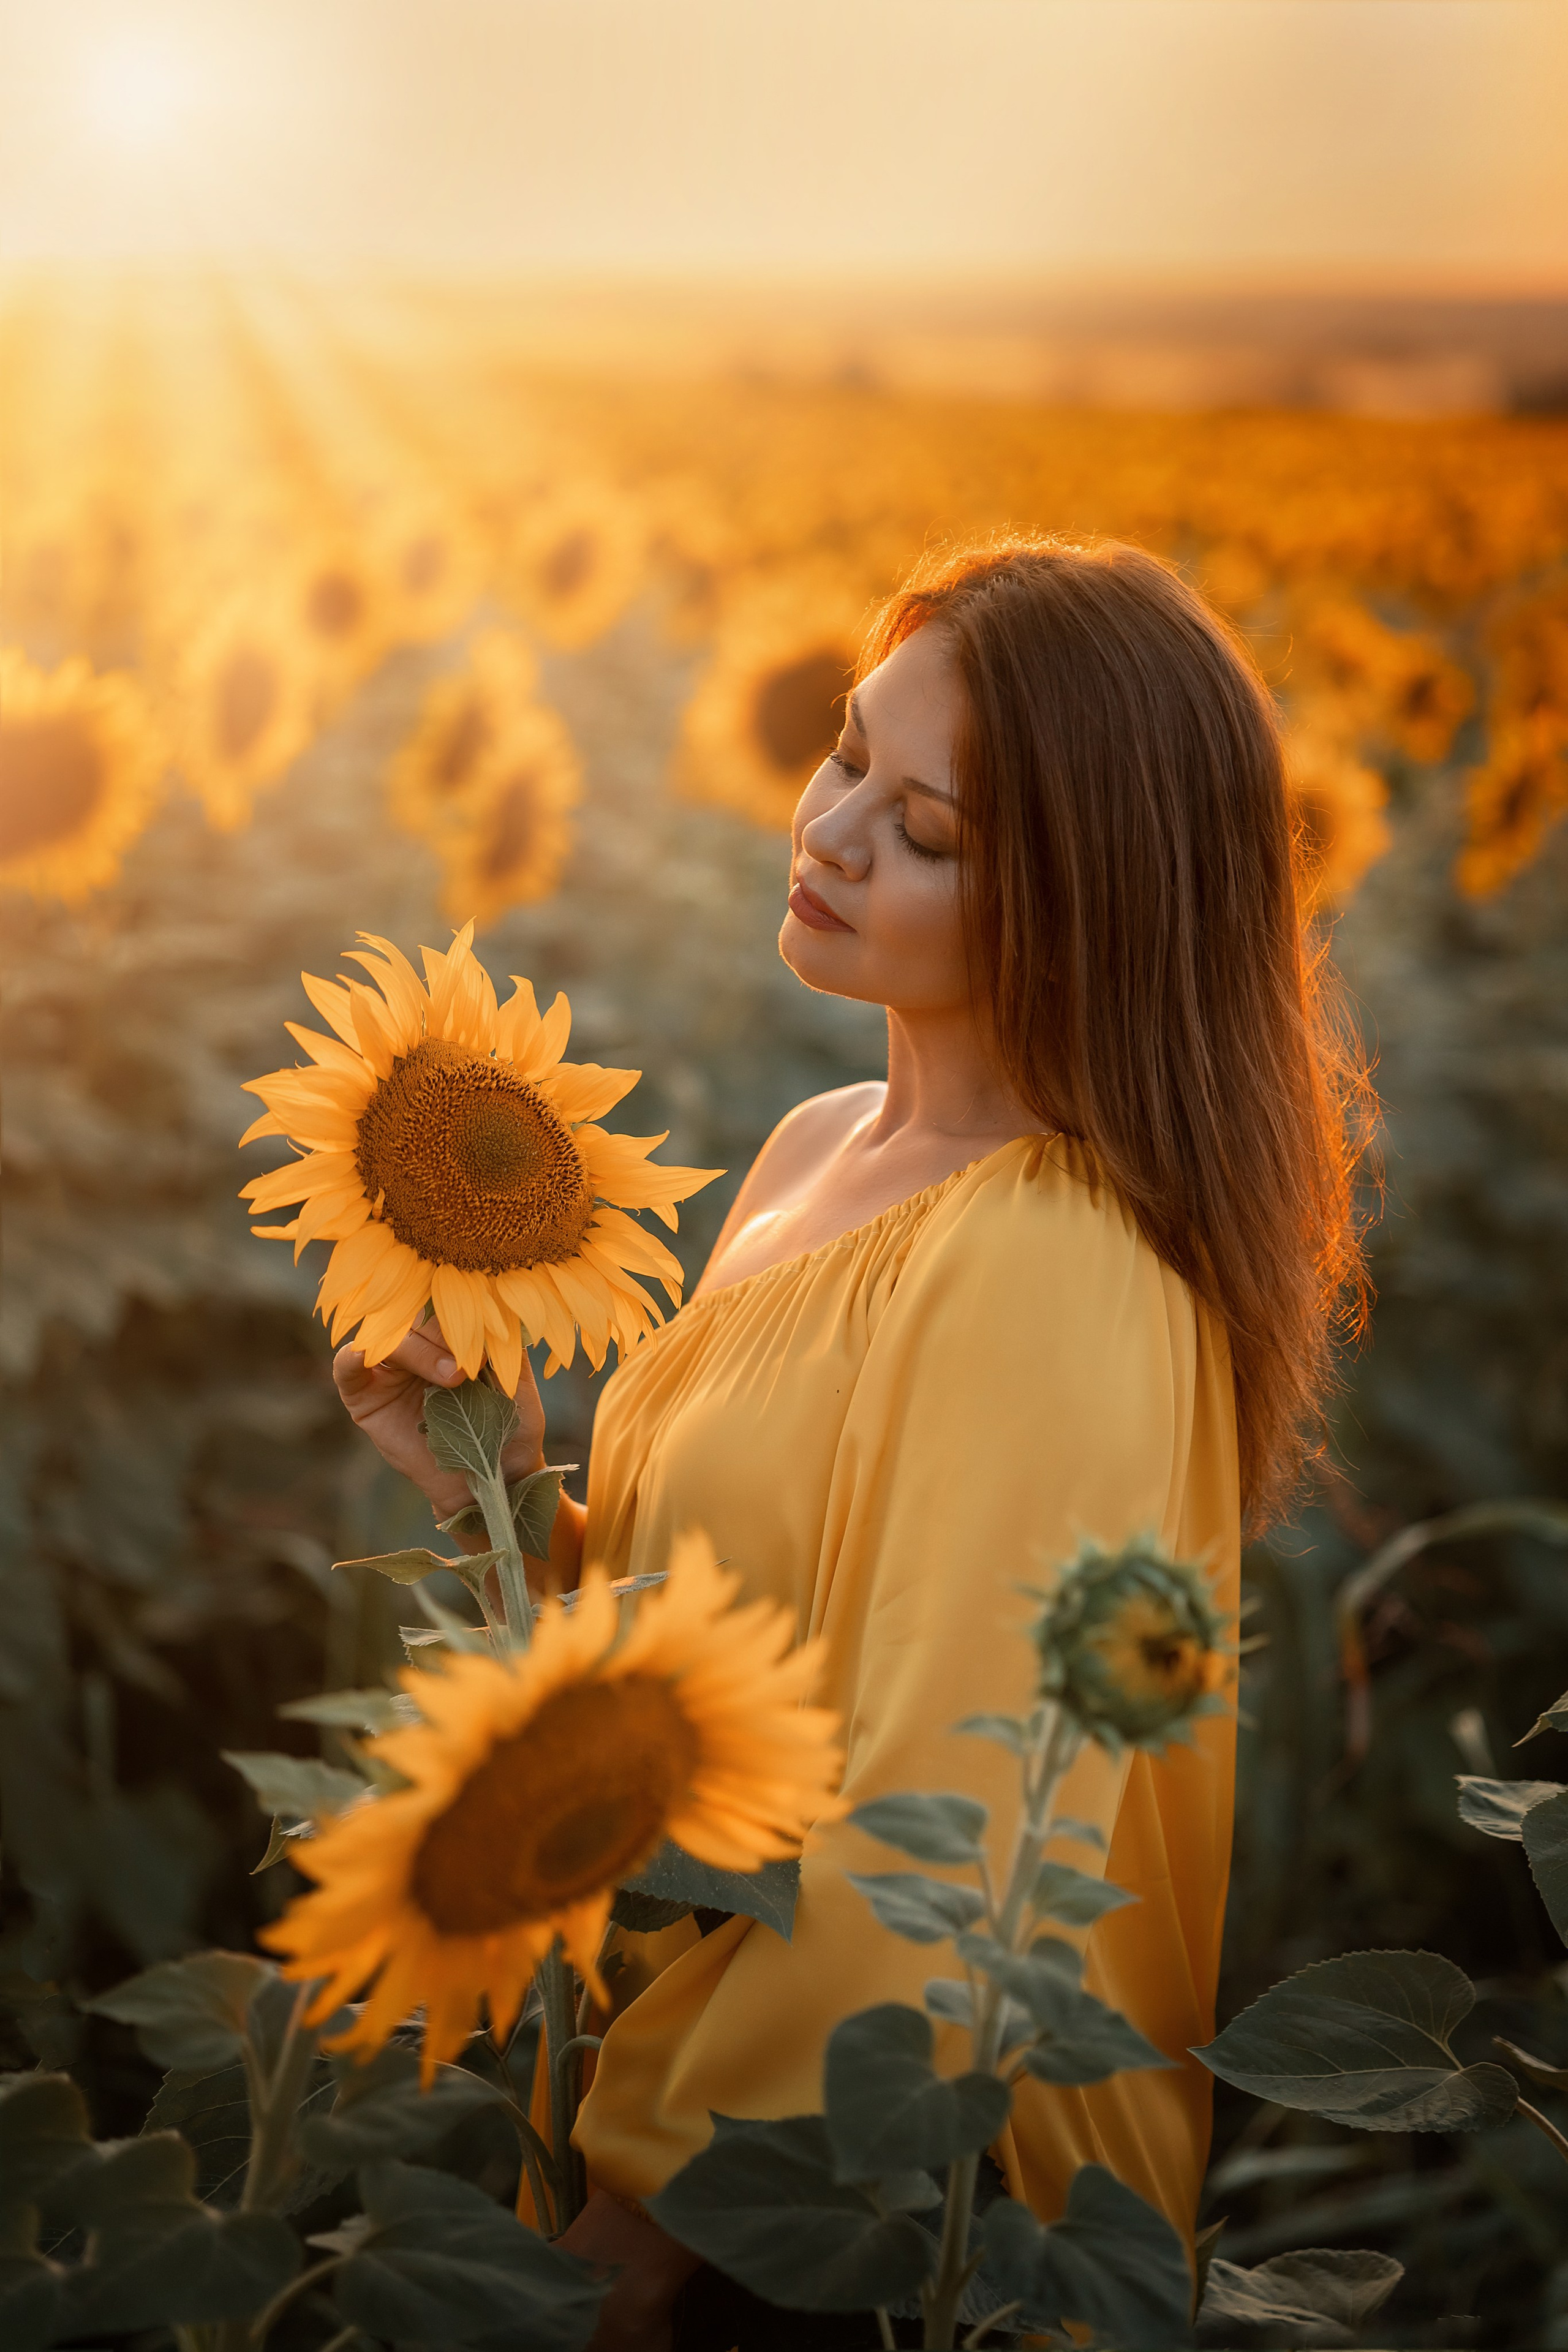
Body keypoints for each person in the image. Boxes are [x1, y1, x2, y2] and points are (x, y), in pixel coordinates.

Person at [333, 537, 1366, 2350]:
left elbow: (950, 1843)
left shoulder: (1057, 1266)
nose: (828, 833)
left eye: (930, 832)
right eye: (847, 754)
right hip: (674, 2113)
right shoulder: (821, 1146)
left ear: (1090, 909)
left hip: (863, 2222)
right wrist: (490, 1487)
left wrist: (641, 2231)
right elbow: (733, 1654)